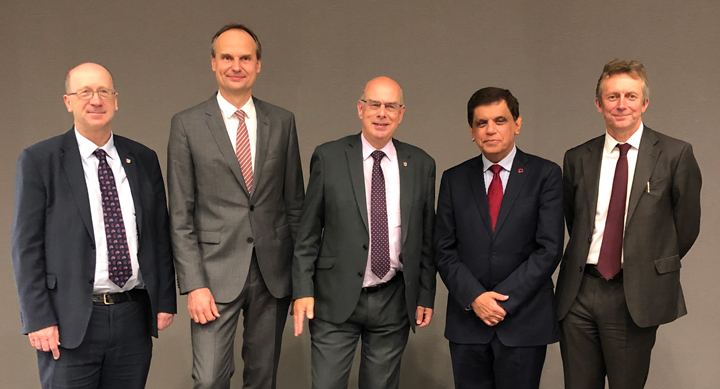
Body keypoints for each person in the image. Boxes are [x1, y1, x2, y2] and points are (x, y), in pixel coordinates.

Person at [11, 62, 177, 388]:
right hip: (69, 320)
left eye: (103, 91)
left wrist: (165, 299)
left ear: (116, 100)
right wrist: (38, 318)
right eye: (84, 92)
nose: (95, 100)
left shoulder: (143, 158)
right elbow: (26, 247)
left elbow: (159, 234)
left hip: (133, 316)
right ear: (68, 101)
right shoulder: (40, 160)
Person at [167, 23, 304, 388]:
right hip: (212, 277)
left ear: (258, 64)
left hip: (272, 274)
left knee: (263, 379)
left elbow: (295, 207)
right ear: (213, 63)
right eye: (227, 57)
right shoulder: (187, 124)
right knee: (210, 379)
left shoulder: (282, 121)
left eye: (246, 57)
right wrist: (193, 284)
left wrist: (300, 278)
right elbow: (180, 215)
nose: (236, 65)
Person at [555, 59, 702, 388]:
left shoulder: (675, 154)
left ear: (645, 103)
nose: (621, 105)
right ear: (598, 104)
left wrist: (643, 265)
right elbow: (574, 221)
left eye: (631, 96)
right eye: (612, 96)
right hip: (579, 293)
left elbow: (686, 227)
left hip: (633, 294)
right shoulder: (577, 158)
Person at [292, 76, 436, 388]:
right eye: (374, 104)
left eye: (390, 106)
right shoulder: (329, 157)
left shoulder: (422, 163)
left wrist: (425, 293)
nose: (381, 113)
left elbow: (425, 238)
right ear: (360, 109)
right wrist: (303, 288)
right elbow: (308, 231)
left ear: (401, 112)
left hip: (393, 299)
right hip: (334, 298)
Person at [434, 87, 564, 389]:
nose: (490, 130)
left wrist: (503, 302)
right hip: (468, 321)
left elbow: (549, 248)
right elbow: (443, 248)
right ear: (471, 131)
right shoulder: (454, 179)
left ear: (517, 124)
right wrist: (475, 298)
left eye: (500, 120)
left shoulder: (545, 174)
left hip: (524, 321)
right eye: (481, 123)